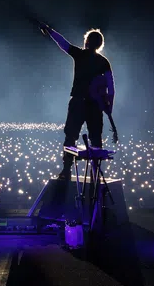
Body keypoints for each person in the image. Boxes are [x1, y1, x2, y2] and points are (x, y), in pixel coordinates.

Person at [40, 24, 116, 177]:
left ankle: (66, 169)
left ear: (86, 41)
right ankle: (95, 173)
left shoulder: (80, 55)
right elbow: (111, 87)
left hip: (78, 102)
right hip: (95, 106)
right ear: (100, 44)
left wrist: (49, 30)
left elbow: (63, 43)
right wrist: (108, 107)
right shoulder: (104, 62)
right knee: (96, 139)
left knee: (71, 136)